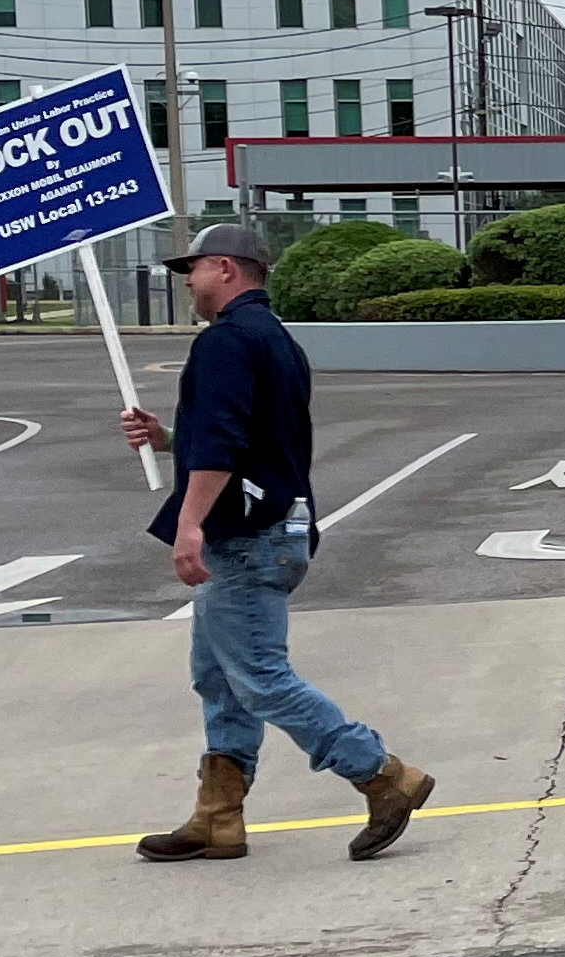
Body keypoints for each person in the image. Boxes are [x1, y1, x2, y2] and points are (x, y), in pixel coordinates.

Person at [118, 223, 433, 863]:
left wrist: (190, 524)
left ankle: (383, 775)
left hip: (243, 536)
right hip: (275, 525)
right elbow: (256, 438)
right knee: (219, 677)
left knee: (259, 678)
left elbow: (226, 446)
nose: (188, 281)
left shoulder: (227, 342)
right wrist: (168, 439)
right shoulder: (274, 339)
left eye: (196, 268)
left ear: (229, 270)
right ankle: (217, 818)